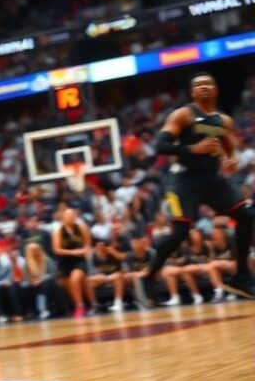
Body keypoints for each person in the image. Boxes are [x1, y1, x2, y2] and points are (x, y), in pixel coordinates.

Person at [144, 72, 254, 302]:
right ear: (193, 92)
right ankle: (148, 277)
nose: (204, 87)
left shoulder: (224, 120)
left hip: (211, 178)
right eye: (198, 85)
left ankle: (241, 276)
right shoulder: (183, 115)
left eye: (208, 84)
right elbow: (160, 145)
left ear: (216, 90)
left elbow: (228, 146)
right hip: (183, 179)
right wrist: (193, 149)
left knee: (246, 216)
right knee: (181, 233)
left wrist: (228, 160)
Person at [52, 208, 93, 318]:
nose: (70, 217)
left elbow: (88, 245)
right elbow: (57, 250)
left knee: (75, 279)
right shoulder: (58, 231)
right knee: (70, 287)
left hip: (79, 261)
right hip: (65, 261)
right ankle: (84, 304)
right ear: (63, 218)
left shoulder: (82, 228)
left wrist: (85, 251)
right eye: (68, 216)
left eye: (72, 215)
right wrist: (74, 252)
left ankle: (79, 306)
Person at [87, 241, 126, 312]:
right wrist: (98, 275)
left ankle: (118, 303)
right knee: (89, 282)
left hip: (115, 277)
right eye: (98, 247)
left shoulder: (114, 254)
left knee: (118, 276)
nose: (100, 249)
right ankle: (94, 305)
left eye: (102, 246)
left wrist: (113, 253)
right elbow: (93, 273)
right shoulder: (94, 256)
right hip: (101, 279)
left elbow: (123, 270)